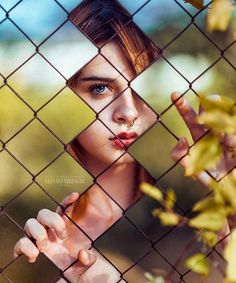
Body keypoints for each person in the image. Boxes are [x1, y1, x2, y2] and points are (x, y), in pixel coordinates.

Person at [13, 1, 235, 282]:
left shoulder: (168, 206)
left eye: (138, 86)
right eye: (101, 88)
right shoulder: (48, 214)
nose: (129, 112)